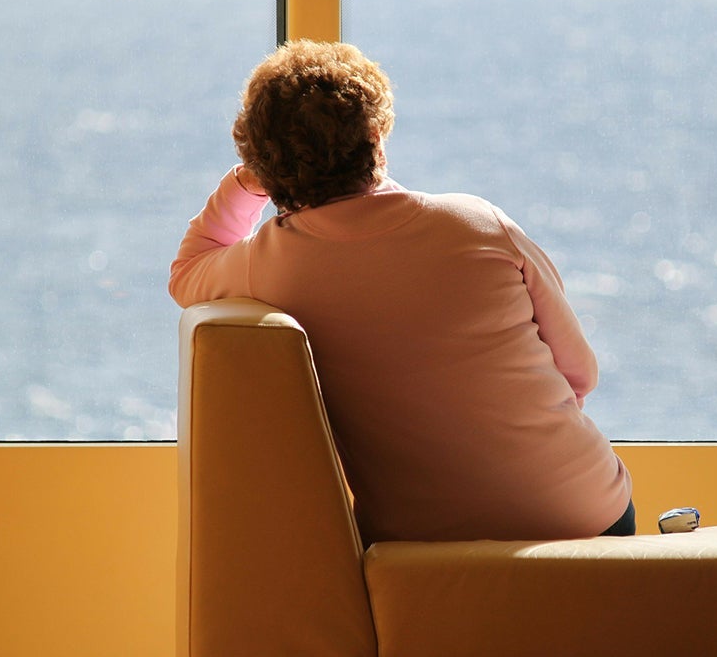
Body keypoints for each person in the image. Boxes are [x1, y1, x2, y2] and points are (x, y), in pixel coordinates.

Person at [169, 39, 634, 545]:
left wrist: (242, 185)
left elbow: (188, 270)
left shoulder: (269, 265)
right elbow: (580, 374)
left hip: (418, 544)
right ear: (375, 136)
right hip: (587, 515)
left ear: (265, 166)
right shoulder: (479, 223)